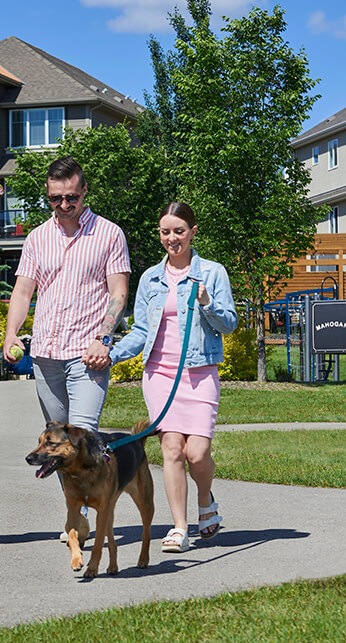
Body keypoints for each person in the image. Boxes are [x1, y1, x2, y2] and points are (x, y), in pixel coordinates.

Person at [2, 156, 130, 542]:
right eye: (55, 199)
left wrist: (104, 338)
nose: (63, 206)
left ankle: (94, 510)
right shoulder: (37, 237)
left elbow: (119, 292)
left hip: (87, 355)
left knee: (85, 438)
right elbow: (23, 290)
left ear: (84, 191)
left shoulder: (109, 234)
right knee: (58, 444)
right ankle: (77, 515)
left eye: (70, 198)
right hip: (45, 355)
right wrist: (11, 335)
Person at [109, 202, 237, 553]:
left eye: (179, 231)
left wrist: (208, 301)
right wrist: (110, 353)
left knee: (197, 454)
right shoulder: (151, 277)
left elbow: (229, 323)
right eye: (166, 232)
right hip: (160, 375)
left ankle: (205, 498)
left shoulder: (212, 272)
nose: (172, 238)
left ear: (193, 232)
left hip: (199, 374)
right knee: (171, 449)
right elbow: (139, 331)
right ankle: (180, 526)